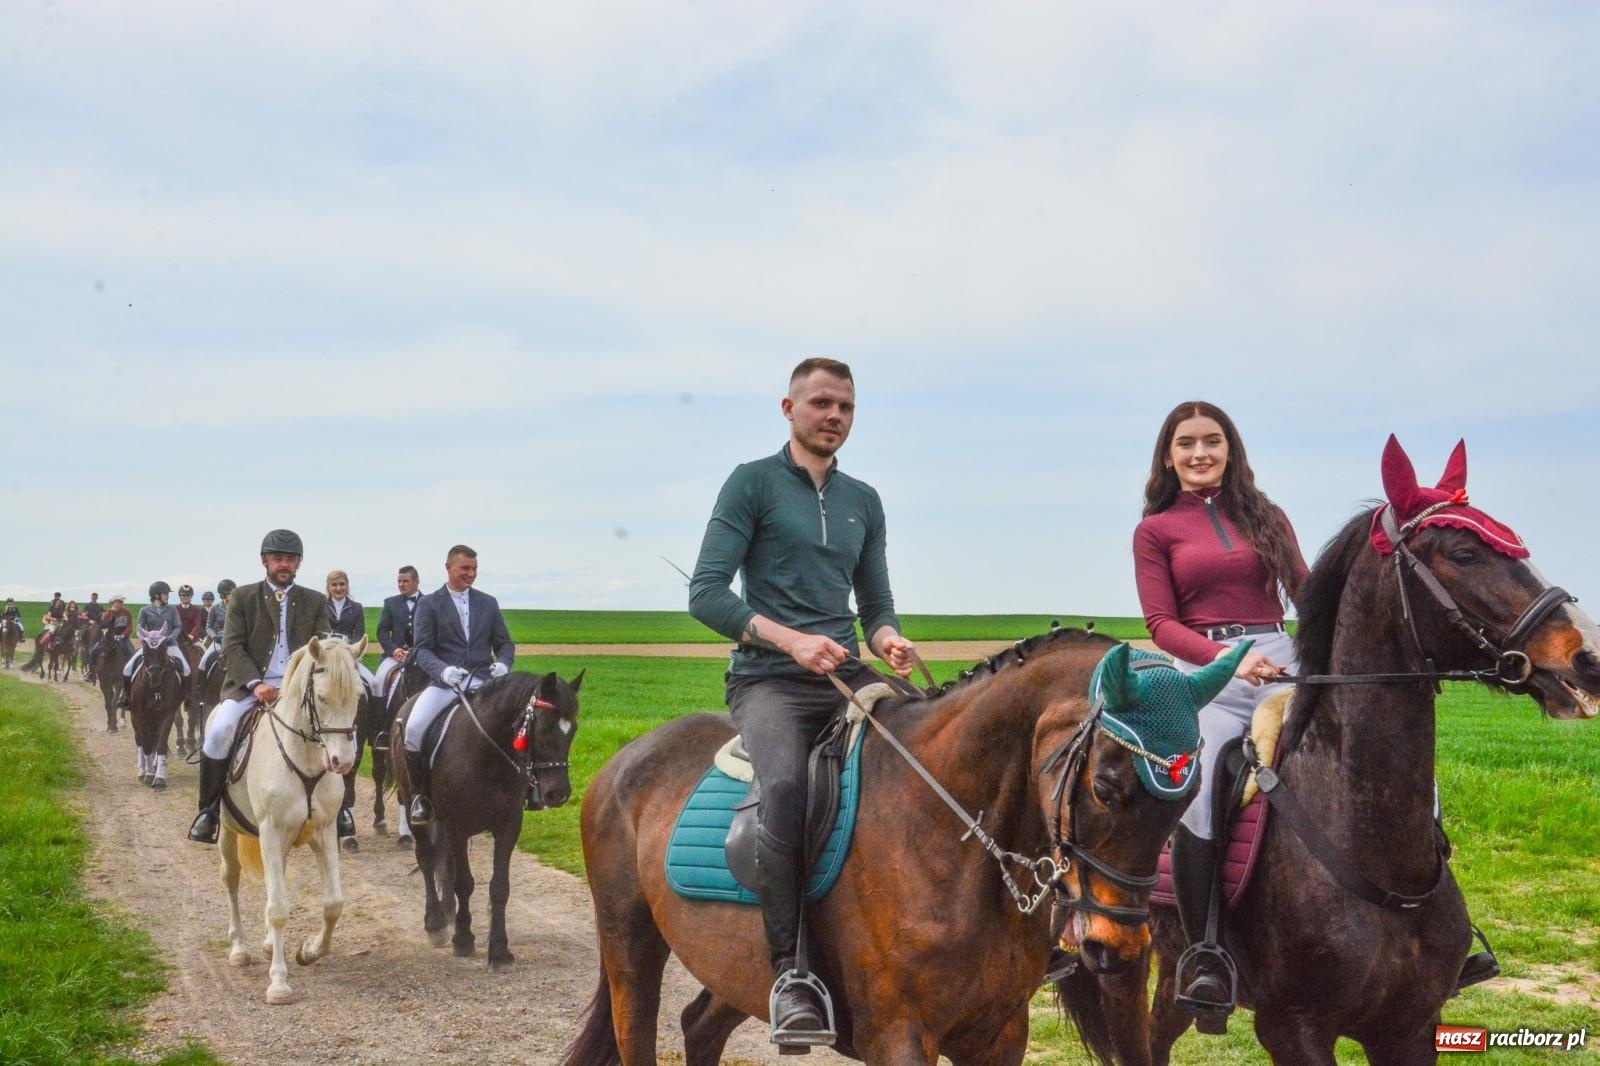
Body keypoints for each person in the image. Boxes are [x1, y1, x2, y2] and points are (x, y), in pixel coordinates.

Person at [688, 358, 916, 1049]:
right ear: (788, 408)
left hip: (846, 673)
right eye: (821, 403)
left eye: (845, 406)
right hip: (769, 680)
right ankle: (792, 975)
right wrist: (791, 642)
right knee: (784, 787)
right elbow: (706, 594)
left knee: (936, 751)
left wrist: (888, 638)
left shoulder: (864, 500)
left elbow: (873, 603)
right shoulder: (752, 483)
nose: (834, 416)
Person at [187, 530, 330, 844]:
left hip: (299, 691)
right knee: (219, 731)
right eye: (277, 558)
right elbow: (232, 648)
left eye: (290, 559)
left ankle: (340, 810)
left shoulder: (315, 601)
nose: (283, 564)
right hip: (250, 688)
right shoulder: (243, 597)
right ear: (265, 560)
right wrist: (256, 684)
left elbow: (323, 650)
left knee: (340, 732)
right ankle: (208, 811)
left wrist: (298, 685)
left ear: (299, 563)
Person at [402, 545, 515, 826]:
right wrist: (443, 671)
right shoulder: (429, 604)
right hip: (446, 683)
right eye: (465, 568)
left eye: (474, 569)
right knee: (414, 729)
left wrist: (503, 662)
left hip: (484, 680)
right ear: (449, 567)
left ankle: (527, 790)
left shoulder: (488, 602)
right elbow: (423, 650)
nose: (471, 574)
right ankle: (420, 796)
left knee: (522, 722)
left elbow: (504, 643)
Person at [117, 581, 193, 709]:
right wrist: (144, 640)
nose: (167, 596)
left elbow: (178, 626)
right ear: (157, 595)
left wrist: (170, 638)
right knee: (127, 668)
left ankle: (187, 698)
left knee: (186, 669)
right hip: (150, 647)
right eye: (165, 594)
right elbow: (138, 629)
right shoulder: (144, 610)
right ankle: (126, 697)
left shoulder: (172, 610)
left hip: (169, 645)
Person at [373, 565, 422, 694]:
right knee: (378, 682)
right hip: (395, 656)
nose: (401, 584)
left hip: (422, 655)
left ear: (416, 581)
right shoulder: (390, 603)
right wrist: (394, 650)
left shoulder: (429, 602)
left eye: (405, 581)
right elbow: (381, 631)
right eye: (399, 581)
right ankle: (379, 713)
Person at [197, 580, 236, 674]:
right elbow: (208, 627)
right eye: (230, 594)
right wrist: (214, 636)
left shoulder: (239, 607)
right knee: (203, 662)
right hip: (219, 640)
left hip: (235, 640)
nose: (233, 596)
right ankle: (200, 687)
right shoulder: (215, 608)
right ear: (222, 595)